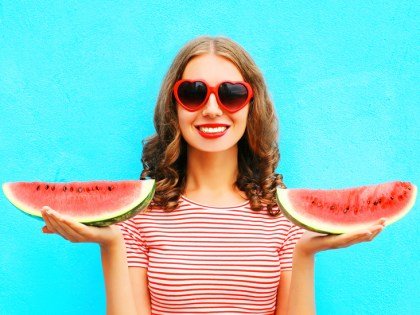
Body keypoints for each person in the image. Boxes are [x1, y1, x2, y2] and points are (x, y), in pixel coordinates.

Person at [40, 36, 385, 315]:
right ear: (174, 105)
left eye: (232, 94)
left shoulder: (282, 216)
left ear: (252, 105)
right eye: (193, 93)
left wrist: (305, 254)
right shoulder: (138, 217)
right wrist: (111, 244)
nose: (211, 108)